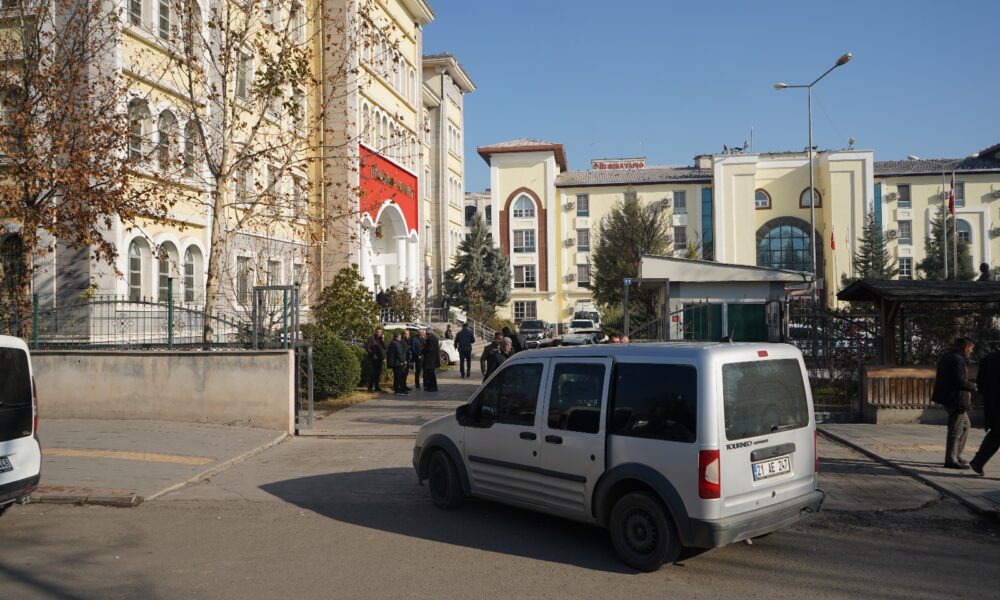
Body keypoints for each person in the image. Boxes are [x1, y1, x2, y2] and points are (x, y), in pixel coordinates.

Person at [931, 337, 977, 468]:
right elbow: (959, 381)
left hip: (948, 397)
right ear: (965, 347)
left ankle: (956, 455)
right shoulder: (957, 359)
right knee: (955, 430)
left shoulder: (947, 356)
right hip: (955, 399)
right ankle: (951, 460)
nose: (971, 351)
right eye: (971, 348)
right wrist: (973, 386)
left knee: (965, 426)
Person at [970, 348, 1000, 476]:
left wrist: (988, 396)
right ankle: (978, 461)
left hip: (992, 402)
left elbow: (980, 383)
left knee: (996, 433)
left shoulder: (988, 358)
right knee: (996, 433)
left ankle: (978, 461)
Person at [386, 331, 410, 396]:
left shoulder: (392, 342)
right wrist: (403, 361)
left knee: (396, 377)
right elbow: (399, 354)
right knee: (399, 377)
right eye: (400, 337)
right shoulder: (397, 343)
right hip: (398, 363)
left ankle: (397, 390)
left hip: (394, 363)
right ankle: (400, 390)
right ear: (397, 337)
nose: (400, 338)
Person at [364, 327, 386, 392]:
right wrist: (373, 353)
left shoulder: (381, 339)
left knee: (378, 373)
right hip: (373, 359)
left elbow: (385, 347)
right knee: (373, 373)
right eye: (377, 332)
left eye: (380, 332)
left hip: (380, 358)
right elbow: (367, 348)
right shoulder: (371, 338)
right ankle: (370, 387)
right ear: (375, 332)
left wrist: (383, 340)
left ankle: (377, 386)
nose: (378, 333)